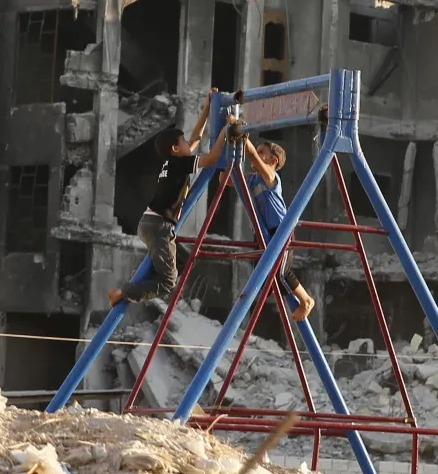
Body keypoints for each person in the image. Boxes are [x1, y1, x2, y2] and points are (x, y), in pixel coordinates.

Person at [109, 89, 229, 307]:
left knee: (182, 262)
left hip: (150, 222)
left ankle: (144, 276)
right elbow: (212, 158)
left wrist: (206, 109)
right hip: (159, 225)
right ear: (175, 149)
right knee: (167, 282)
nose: (188, 144)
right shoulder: (179, 163)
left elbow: (196, 138)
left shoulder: (172, 162)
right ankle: (123, 292)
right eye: (183, 142)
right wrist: (227, 129)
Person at [241, 137, 316, 322]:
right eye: (257, 151)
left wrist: (241, 138)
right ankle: (258, 310)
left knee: (280, 272)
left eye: (262, 153)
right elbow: (225, 179)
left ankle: (306, 300)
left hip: (279, 230)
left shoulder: (270, 177)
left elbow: (251, 155)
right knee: (263, 273)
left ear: (273, 161)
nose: (256, 155)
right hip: (262, 234)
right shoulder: (252, 180)